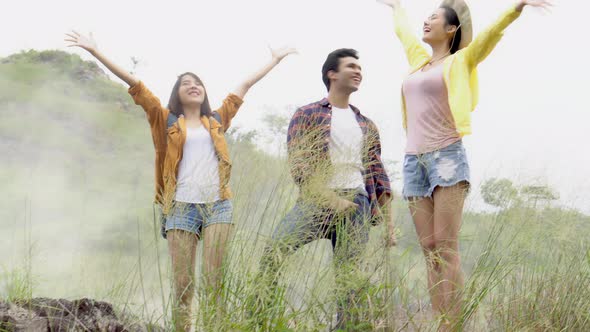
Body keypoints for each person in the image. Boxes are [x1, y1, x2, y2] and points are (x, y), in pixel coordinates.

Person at [65, 30, 296, 331]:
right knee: (183, 285)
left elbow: (244, 86)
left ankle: (215, 327)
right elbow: (135, 85)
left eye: (197, 82)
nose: (193, 86)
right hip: (180, 208)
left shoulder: (217, 120)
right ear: (177, 93)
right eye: (186, 83)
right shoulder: (164, 119)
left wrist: (275, 59)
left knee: (215, 280)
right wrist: (95, 51)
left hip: (218, 206)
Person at [377, 0, 552, 329]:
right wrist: (396, 8)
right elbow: (403, 35)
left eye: (434, 18)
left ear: (451, 29)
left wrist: (516, 9)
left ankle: (452, 324)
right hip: (414, 162)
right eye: (425, 17)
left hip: (446, 157)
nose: (425, 21)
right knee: (428, 248)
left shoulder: (461, 61)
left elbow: (489, 36)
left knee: (446, 247)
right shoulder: (418, 63)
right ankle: (440, 318)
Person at [253, 48, 394, 329]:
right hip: (317, 201)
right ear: (332, 73)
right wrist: (329, 198)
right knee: (274, 252)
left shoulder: (366, 124)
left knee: (347, 278)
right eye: (351, 66)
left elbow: (379, 177)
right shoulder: (307, 114)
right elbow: (299, 164)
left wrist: (389, 226)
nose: (358, 72)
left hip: (356, 205)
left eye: (360, 68)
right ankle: (259, 320)